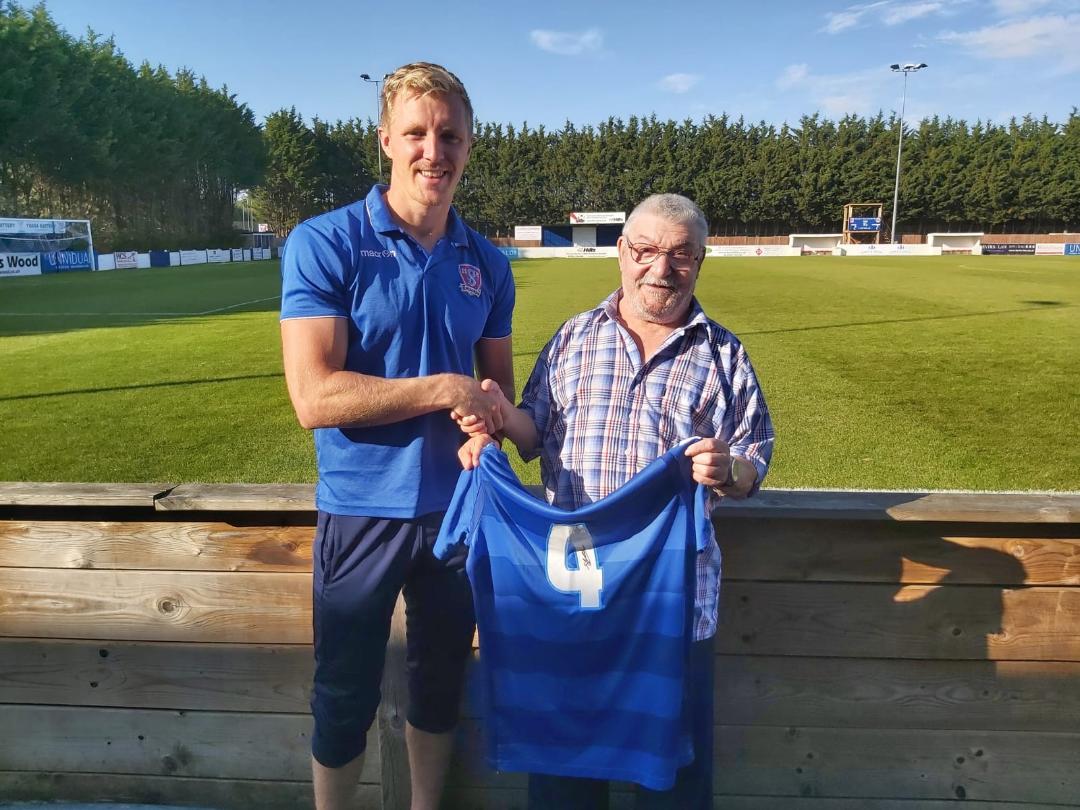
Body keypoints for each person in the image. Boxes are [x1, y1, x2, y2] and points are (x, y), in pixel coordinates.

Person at [457, 192, 774, 809]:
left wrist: (727, 466)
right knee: (564, 781)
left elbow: (754, 457)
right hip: (572, 602)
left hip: (673, 611)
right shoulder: (575, 337)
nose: (662, 269)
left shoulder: (724, 355)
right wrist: (497, 422)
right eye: (647, 251)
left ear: (700, 263)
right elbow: (534, 430)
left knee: (672, 784)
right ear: (622, 254)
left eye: (681, 255)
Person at [279, 62, 515, 810]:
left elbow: (498, 392)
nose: (432, 151)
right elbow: (314, 397)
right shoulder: (326, 243)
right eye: (416, 133)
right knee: (344, 690)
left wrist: (491, 426)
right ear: (385, 140)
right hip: (361, 509)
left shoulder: (488, 263)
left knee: (441, 685)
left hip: (458, 515)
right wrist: (442, 391)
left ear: (470, 146)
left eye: (450, 135)